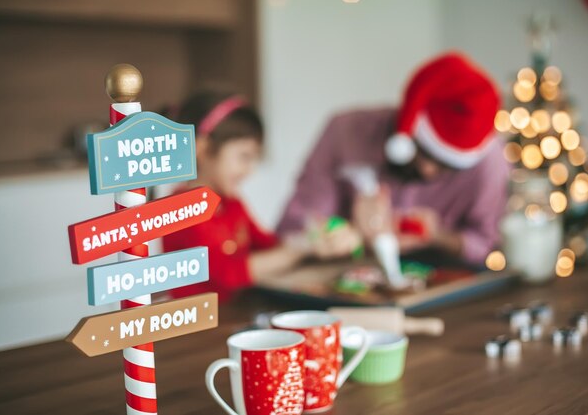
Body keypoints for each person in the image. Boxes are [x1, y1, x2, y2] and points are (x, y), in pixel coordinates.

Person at [277, 53, 511, 266]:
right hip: (347, 271)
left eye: (447, 166)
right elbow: (295, 226)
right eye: (422, 152)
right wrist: (349, 230)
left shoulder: (490, 164)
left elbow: (489, 245)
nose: (428, 170)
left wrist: (436, 234)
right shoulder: (346, 132)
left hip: (449, 276)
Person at [163, 90, 360, 302]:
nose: (250, 170)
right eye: (244, 157)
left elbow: (268, 245)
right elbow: (228, 274)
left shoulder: (232, 204)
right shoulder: (180, 210)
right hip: (200, 330)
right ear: (202, 148)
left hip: (235, 316)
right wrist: (300, 249)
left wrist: (313, 236)